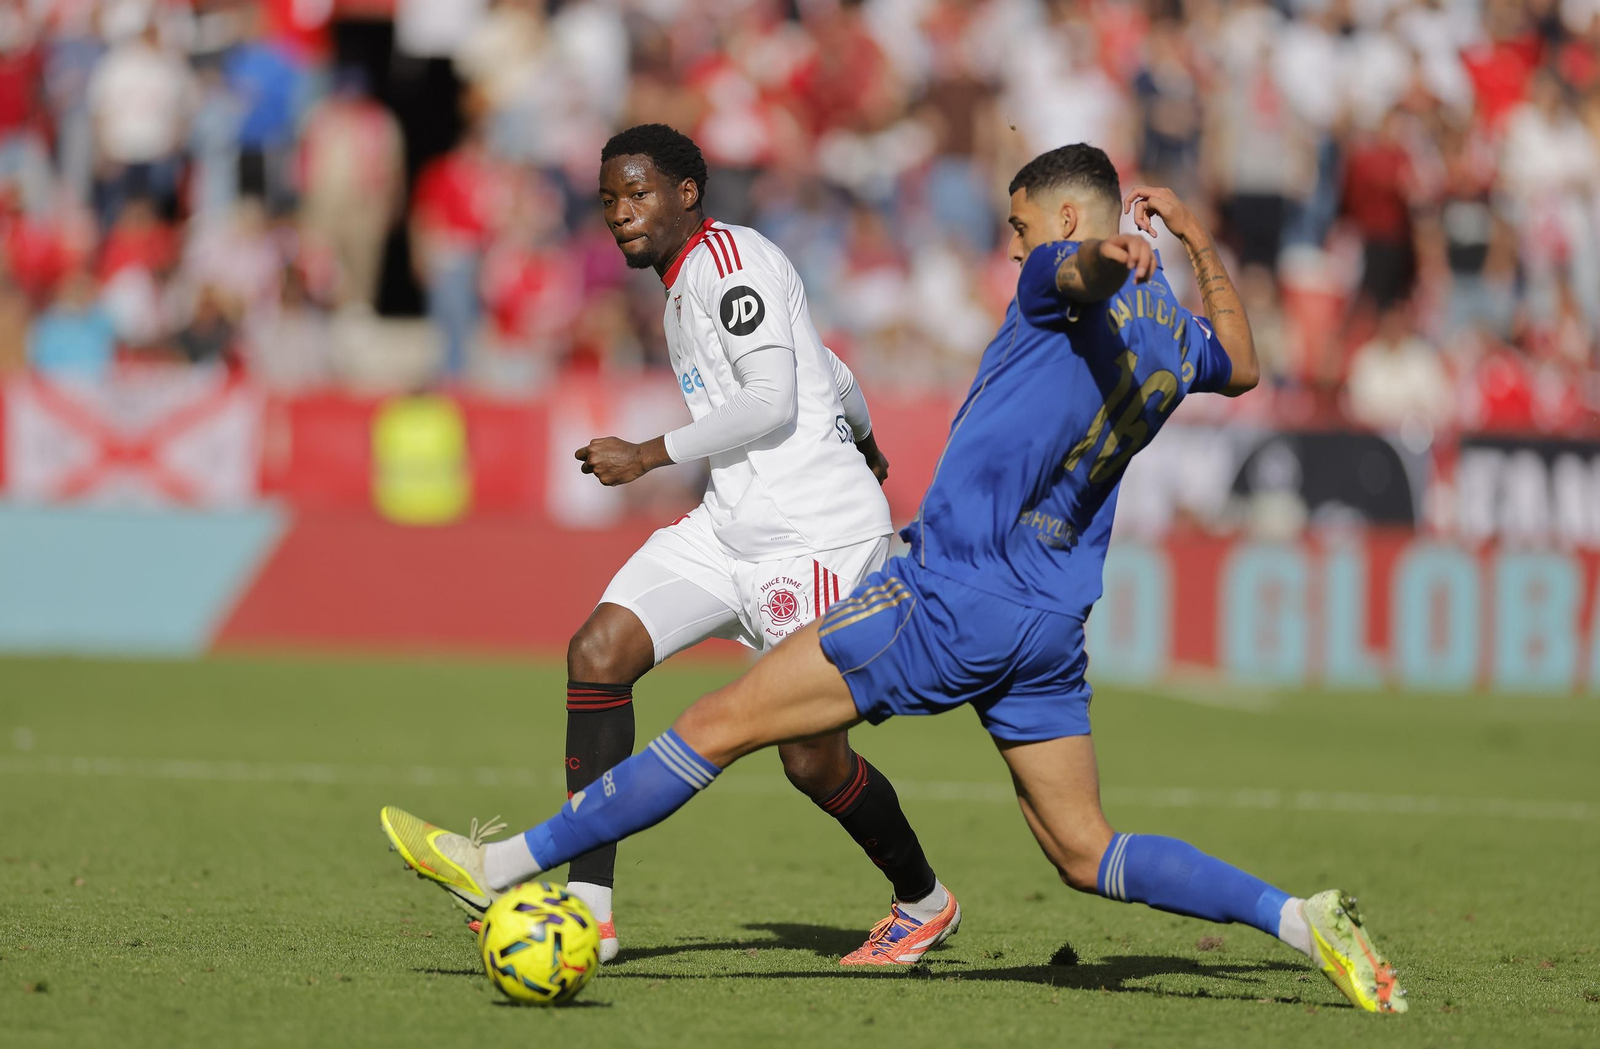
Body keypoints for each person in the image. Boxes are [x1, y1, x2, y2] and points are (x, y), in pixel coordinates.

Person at [380, 143, 1409, 1014]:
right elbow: (1242, 360)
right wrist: (1189, 241)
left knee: (719, 723)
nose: (1010, 245)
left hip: (946, 596)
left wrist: (1103, 251)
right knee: (1087, 850)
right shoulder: (1171, 336)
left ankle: (503, 864)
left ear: (1053, 218)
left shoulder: (1055, 275)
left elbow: (1073, 273)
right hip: (1048, 621)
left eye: (1016, 226)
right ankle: (1298, 915)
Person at [391, 124, 959, 968]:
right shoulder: (686, 283)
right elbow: (827, 373)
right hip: (731, 523)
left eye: (639, 193)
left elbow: (770, 399)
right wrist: (870, 444)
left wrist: (647, 453)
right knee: (600, 648)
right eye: (610, 199)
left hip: (813, 537)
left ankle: (924, 900)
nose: (621, 213)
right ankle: (591, 907)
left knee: (810, 757)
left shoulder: (731, 263)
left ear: (687, 192)